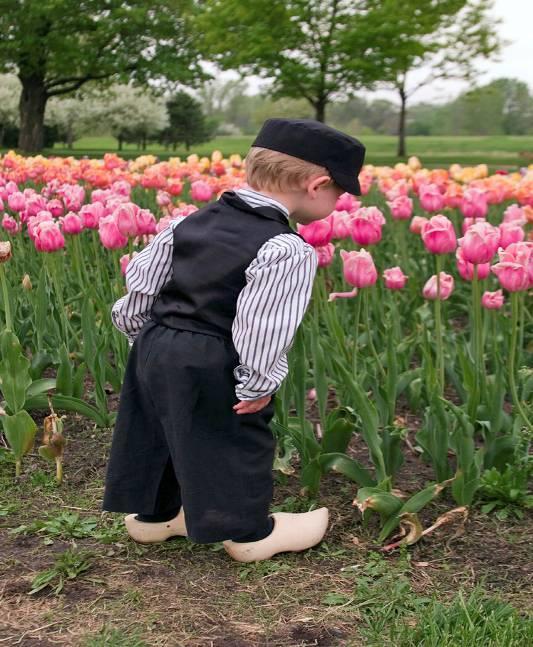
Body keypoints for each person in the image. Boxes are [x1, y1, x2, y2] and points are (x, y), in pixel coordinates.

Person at [103, 118, 366, 563]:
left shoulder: (185, 223)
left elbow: (142, 284)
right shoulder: (286, 249)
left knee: (157, 429)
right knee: (233, 437)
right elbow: (261, 326)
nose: (340, 201)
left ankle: (155, 517)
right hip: (212, 355)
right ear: (317, 185)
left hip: (156, 340)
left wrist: (144, 340)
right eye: (341, 192)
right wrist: (258, 384)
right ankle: (249, 534)